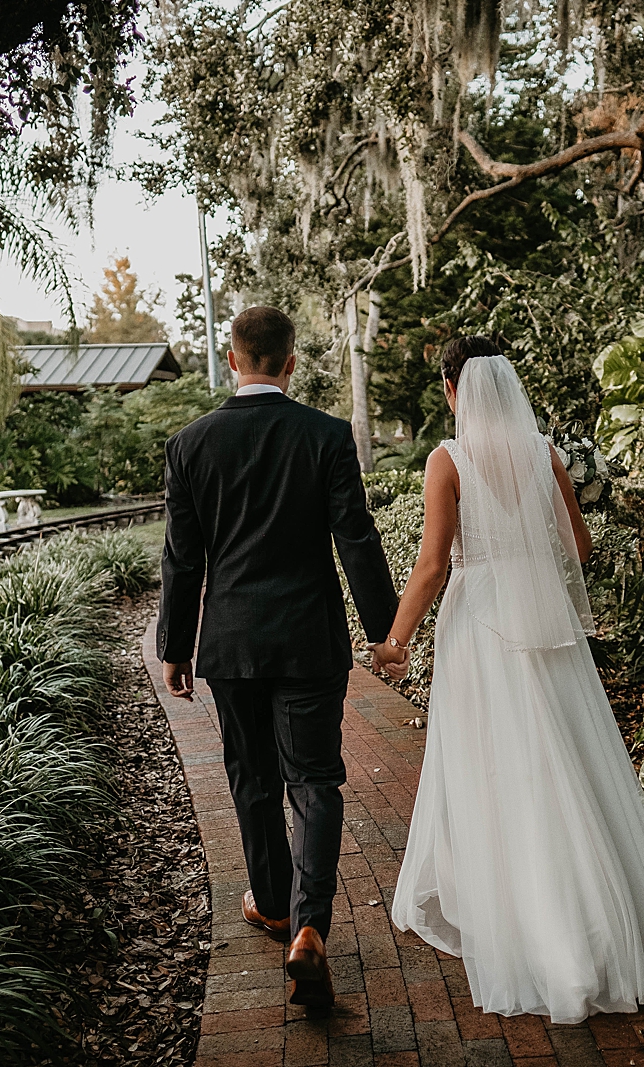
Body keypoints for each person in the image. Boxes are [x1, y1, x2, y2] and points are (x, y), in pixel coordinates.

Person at [382, 337, 644, 1024]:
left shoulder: (447, 460)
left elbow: (433, 565)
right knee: (567, 762)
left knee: (496, 765)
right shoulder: (546, 454)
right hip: (544, 624)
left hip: (479, 628)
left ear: (454, 390)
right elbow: (579, 547)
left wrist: (395, 640)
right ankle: (597, 918)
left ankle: (523, 916)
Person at [157, 306, 401, 1009]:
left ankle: (268, 900)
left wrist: (175, 646)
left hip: (230, 644)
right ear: (290, 363)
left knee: (252, 776)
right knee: (315, 781)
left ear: (232, 361)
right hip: (308, 640)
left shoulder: (190, 445)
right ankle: (309, 928)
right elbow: (355, 537)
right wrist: (384, 632)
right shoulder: (325, 435)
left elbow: (183, 558)